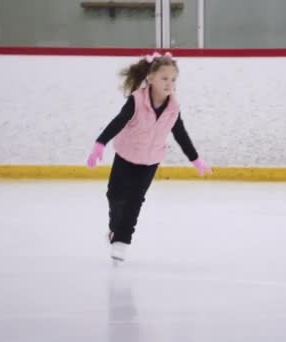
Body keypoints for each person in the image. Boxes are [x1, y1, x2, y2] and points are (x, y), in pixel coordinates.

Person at [86, 51, 212, 262]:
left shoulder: (173, 108)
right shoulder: (136, 100)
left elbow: (180, 134)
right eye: (164, 78)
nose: (169, 83)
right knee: (115, 196)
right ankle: (114, 228)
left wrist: (195, 159)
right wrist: (100, 143)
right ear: (150, 78)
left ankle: (122, 241)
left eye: (173, 79)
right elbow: (119, 121)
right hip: (126, 155)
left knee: (135, 201)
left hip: (150, 161)